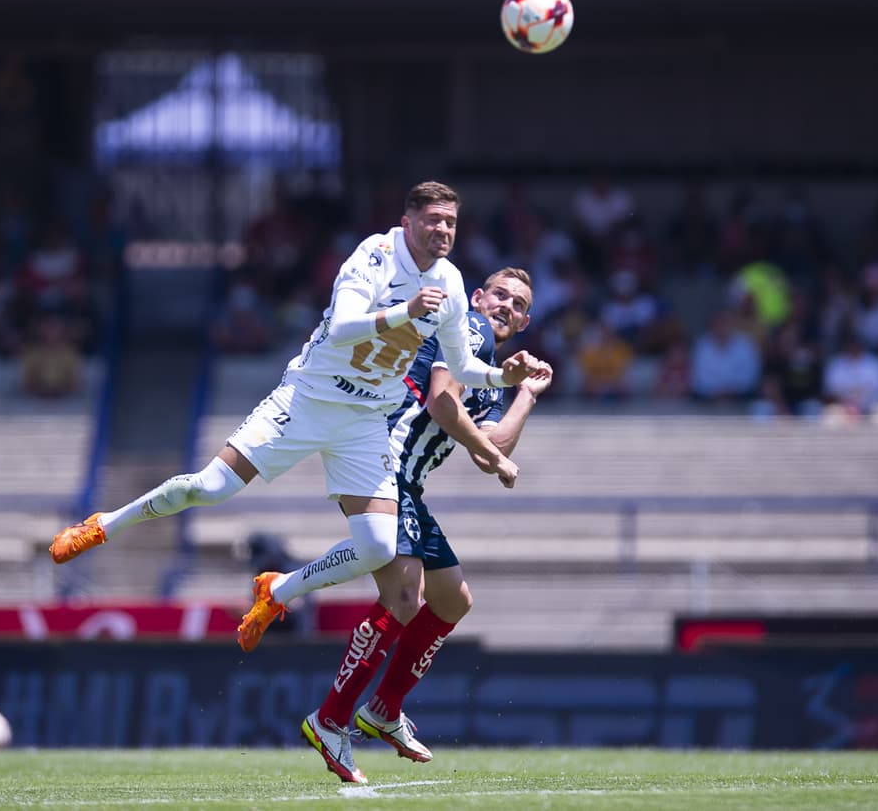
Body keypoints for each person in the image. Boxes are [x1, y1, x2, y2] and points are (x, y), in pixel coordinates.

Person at [49, 181, 549, 659]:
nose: (444, 231)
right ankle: (103, 525)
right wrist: (404, 312)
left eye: (452, 224)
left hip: (365, 420)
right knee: (209, 487)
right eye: (434, 220)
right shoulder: (374, 256)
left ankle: (278, 590)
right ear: (408, 221)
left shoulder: (451, 282)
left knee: (377, 547)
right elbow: (342, 330)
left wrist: (505, 378)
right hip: (308, 400)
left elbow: (464, 369)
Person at [302, 267, 550, 783]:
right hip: (381, 464)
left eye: (518, 303)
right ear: (477, 298)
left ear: (525, 321)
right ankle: (330, 719)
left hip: (406, 482)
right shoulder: (470, 331)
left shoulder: (487, 369)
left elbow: (491, 448)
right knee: (404, 598)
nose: (505, 305)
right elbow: (442, 405)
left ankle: (384, 710)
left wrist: (526, 394)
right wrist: (499, 462)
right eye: (498, 294)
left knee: (453, 600)